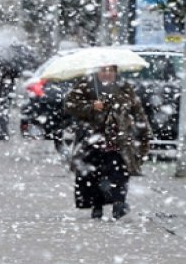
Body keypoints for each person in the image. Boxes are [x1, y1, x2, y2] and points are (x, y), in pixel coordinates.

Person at [64, 65, 151, 220]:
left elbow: (137, 112)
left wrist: (144, 133)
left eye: (111, 70)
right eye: (104, 70)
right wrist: (91, 107)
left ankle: (119, 205)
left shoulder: (124, 88)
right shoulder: (85, 86)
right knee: (94, 175)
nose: (107, 74)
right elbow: (69, 105)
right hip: (92, 141)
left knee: (119, 174)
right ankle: (97, 206)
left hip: (119, 141)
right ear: (97, 71)